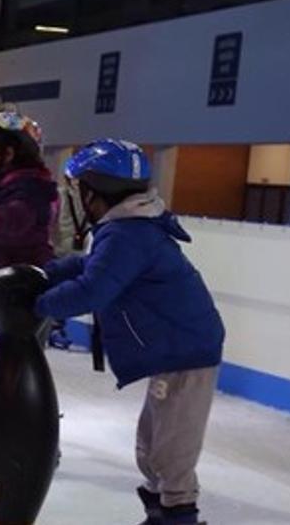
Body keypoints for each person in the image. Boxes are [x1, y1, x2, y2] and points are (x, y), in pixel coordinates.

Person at [34, 139, 224, 525]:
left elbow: (92, 290)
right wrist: (44, 274)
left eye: (77, 189)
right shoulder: (126, 228)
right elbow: (91, 266)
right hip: (175, 348)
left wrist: (35, 303)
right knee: (150, 445)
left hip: (186, 351)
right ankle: (160, 515)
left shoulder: (128, 234)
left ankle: (177, 517)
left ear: (93, 192)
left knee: (171, 453)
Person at [0, 111, 57, 348]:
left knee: (17, 361)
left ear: (9, 154)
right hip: (3, 283)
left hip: (26, 288)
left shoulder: (33, 188)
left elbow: (19, 214)